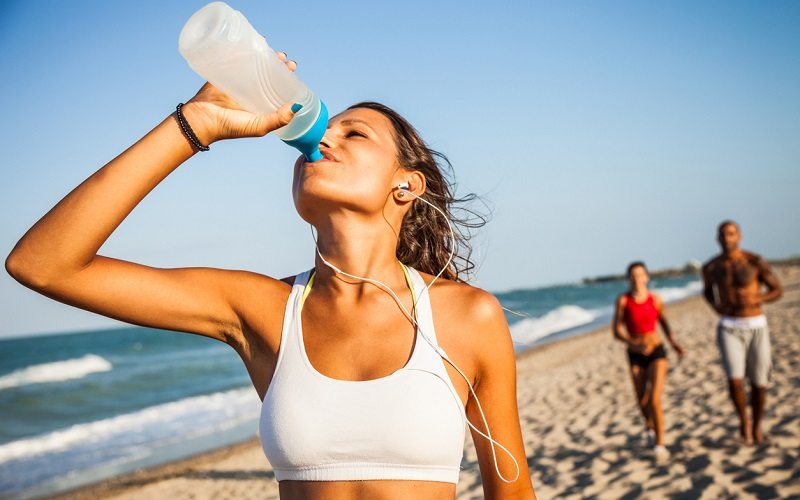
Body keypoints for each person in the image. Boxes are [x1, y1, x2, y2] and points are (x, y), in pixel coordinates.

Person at [5, 53, 536, 499]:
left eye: (355, 133)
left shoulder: (467, 315)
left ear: (406, 185)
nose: (322, 141)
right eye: (324, 130)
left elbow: (511, 490)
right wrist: (195, 124)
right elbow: (43, 265)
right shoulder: (259, 306)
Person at [702, 220, 782, 445]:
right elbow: (707, 292)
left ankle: (757, 426)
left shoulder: (754, 261)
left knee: (759, 381)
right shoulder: (712, 267)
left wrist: (759, 297)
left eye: (731, 234)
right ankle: (743, 422)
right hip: (729, 326)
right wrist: (715, 306)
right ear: (717, 239)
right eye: (723, 235)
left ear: (739, 236)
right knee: (734, 380)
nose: (727, 239)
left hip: (756, 324)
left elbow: (777, 290)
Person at [613, 261, 685, 463]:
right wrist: (632, 343)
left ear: (647, 277)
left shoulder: (656, 299)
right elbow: (617, 330)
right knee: (641, 399)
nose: (637, 279)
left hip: (656, 350)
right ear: (629, 278)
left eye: (640, 275)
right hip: (635, 353)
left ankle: (660, 445)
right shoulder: (623, 301)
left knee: (654, 398)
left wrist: (674, 344)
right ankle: (649, 427)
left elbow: (664, 322)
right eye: (633, 275)